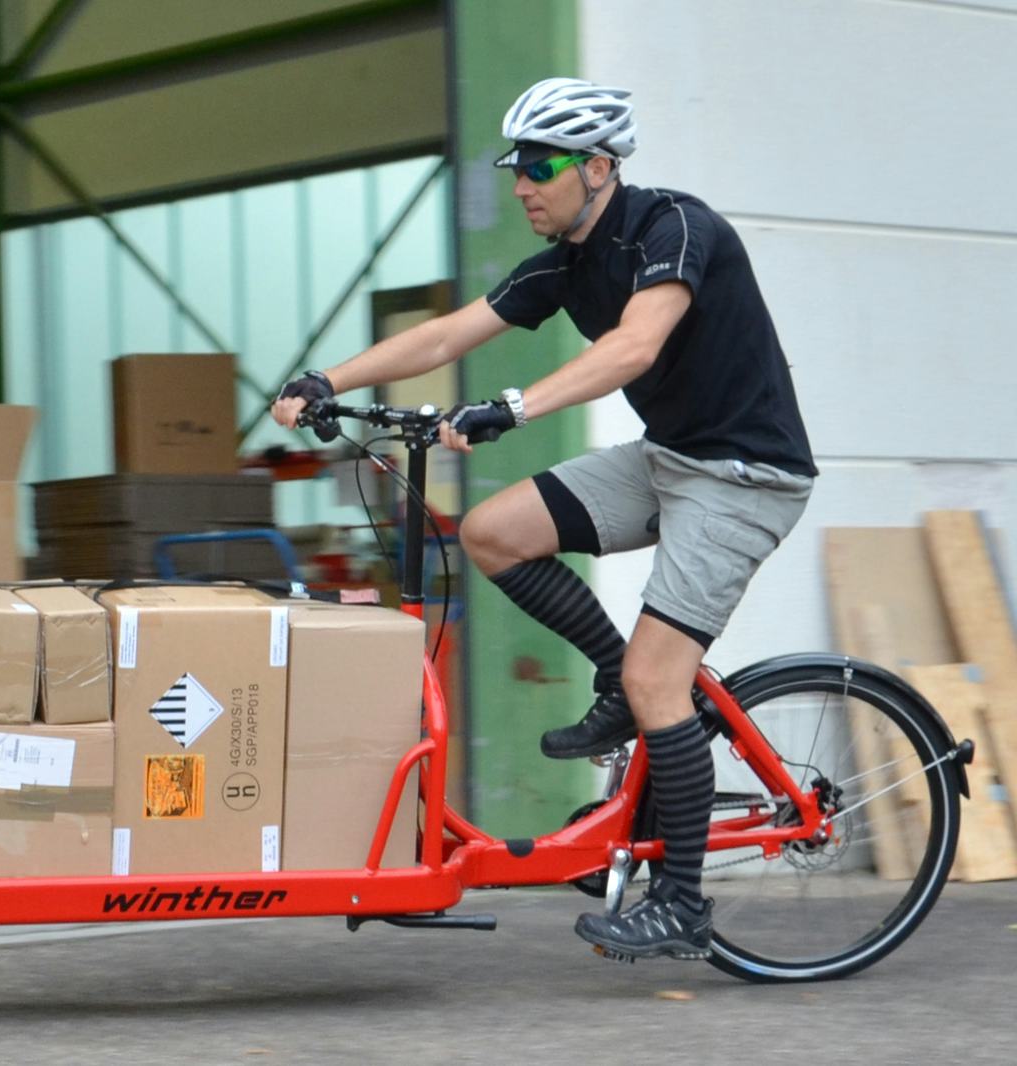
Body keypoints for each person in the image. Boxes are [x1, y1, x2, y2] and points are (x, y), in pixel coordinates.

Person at [271, 77, 816, 962]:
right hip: (670, 459)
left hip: (744, 476)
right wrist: (327, 379)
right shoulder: (565, 263)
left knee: (660, 680)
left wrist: (512, 408)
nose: (522, 184)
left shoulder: (676, 228)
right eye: (516, 167)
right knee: (492, 532)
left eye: (540, 166)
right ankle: (617, 682)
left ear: (597, 168)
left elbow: (634, 346)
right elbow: (445, 336)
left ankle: (681, 904)